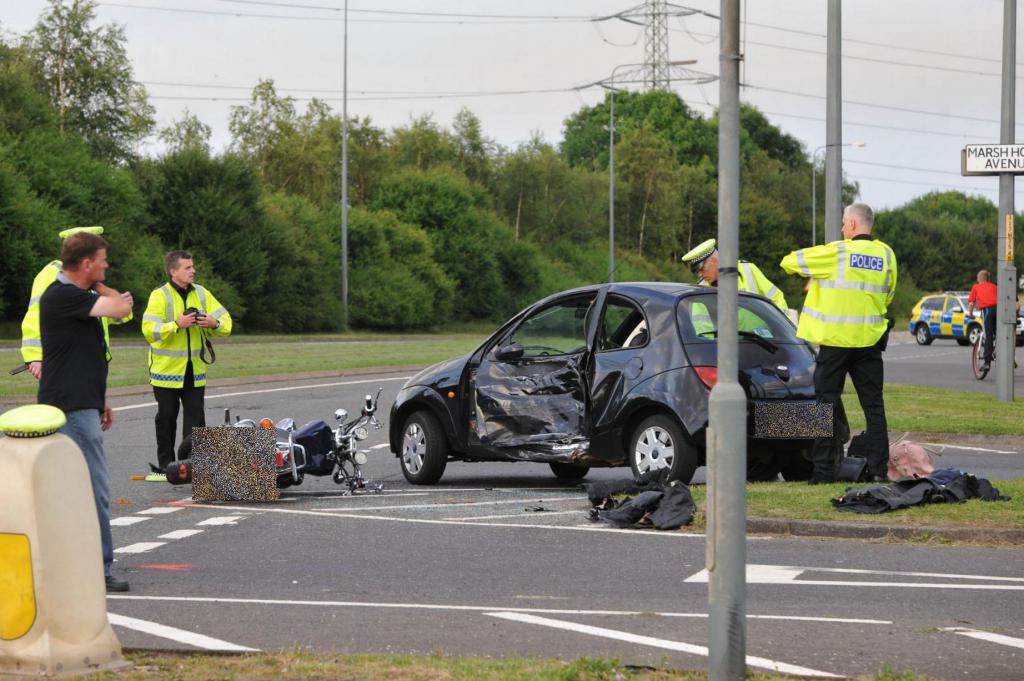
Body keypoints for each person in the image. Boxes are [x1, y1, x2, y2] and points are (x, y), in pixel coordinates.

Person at [38, 232, 134, 592]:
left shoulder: (75, 297)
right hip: (71, 408)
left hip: (82, 402)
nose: (107, 265)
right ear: (86, 263)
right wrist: (102, 286)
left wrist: (100, 399)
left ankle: (75, 566)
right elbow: (124, 308)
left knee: (76, 489)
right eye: (102, 260)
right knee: (92, 490)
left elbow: (83, 356)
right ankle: (98, 569)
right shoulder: (64, 296)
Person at [779, 202, 897, 484]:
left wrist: (818, 270)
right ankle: (879, 470)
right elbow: (888, 294)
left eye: (844, 222)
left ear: (854, 225)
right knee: (874, 407)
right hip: (869, 342)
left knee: (824, 406)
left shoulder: (837, 252)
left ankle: (823, 472)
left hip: (836, 344)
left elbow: (789, 261)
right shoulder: (886, 254)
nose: (843, 227)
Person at [141, 251, 232, 474]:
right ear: (173, 271)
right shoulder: (159, 296)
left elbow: (227, 323)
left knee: (196, 419)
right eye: (187, 267)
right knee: (166, 419)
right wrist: (176, 324)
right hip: (166, 372)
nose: (193, 270)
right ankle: (166, 466)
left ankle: (194, 465)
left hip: (195, 369)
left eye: (193, 266)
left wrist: (213, 323)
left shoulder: (202, 293)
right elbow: (149, 331)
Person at [20, 226, 132, 379]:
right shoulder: (54, 273)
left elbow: (94, 315)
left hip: (93, 359)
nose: (105, 264)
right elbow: (36, 315)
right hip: (68, 362)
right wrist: (36, 357)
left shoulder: (87, 279)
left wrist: (121, 307)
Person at [680, 238, 788, 311]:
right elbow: (702, 326)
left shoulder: (747, 270)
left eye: (701, 269)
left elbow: (776, 298)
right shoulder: (701, 289)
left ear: (714, 261)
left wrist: (785, 331)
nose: (699, 275)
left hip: (763, 341)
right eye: (696, 272)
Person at [967, 270, 998, 371]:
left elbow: (971, 303)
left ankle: (987, 362)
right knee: (998, 334)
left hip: (987, 310)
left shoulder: (976, 287)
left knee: (988, 335)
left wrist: (971, 314)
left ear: (979, 278)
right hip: (999, 310)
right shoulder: (994, 286)